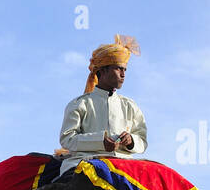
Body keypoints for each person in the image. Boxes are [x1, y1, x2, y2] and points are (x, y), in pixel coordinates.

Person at [58, 34, 147, 163]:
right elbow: (67, 139)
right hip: (85, 162)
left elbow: (142, 140)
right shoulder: (79, 104)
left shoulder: (130, 106)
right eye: (118, 69)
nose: (123, 75)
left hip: (125, 163)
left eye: (125, 70)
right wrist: (100, 142)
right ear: (102, 71)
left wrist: (131, 141)